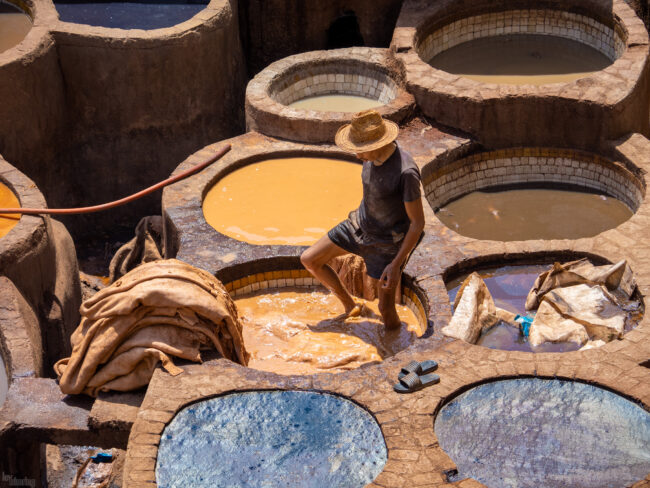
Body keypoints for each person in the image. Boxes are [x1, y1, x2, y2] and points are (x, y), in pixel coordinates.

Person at [301, 110, 425, 329]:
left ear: (378, 144)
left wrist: (396, 265)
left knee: (386, 311)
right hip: (358, 226)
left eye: (361, 151)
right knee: (310, 259)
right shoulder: (370, 157)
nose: (357, 156)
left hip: (387, 245)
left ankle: (393, 350)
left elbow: (417, 224)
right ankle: (350, 306)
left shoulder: (406, 173)